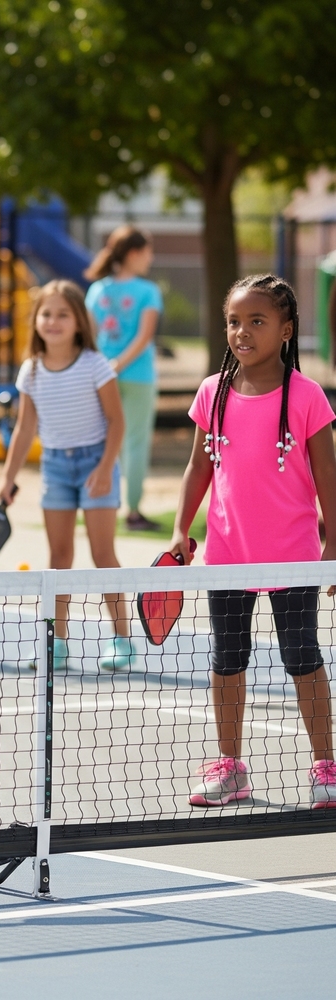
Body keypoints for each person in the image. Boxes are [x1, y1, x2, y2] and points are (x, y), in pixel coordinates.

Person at [170, 274, 336, 809]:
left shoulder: (308, 397)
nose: (242, 331)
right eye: (234, 322)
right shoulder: (211, 392)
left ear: (286, 330)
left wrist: (332, 547)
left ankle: (326, 767)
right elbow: (199, 465)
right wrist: (181, 529)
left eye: (257, 321)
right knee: (227, 659)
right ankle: (230, 766)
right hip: (227, 555)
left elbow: (328, 476)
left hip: (293, 556)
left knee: (302, 656)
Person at [0, 279, 135, 670]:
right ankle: (56, 644)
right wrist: (8, 477)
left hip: (97, 464)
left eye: (63, 314)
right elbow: (25, 429)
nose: (53, 321)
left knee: (102, 553)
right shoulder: (32, 370)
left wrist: (106, 468)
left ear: (79, 322)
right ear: (36, 321)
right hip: (55, 467)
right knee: (58, 557)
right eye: (46, 314)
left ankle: (122, 639)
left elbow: (117, 421)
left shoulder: (95, 365)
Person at [84, 226, 163, 531]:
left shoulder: (97, 290)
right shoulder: (149, 291)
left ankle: (100, 505)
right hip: (139, 376)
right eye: (148, 251)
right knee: (135, 442)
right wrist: (118, 365)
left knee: (105, 442)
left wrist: (106, 368)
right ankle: (132, 512)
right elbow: (144, 337)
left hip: (103, 377)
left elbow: (90, 335)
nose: (150, 258)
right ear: (134, 253)